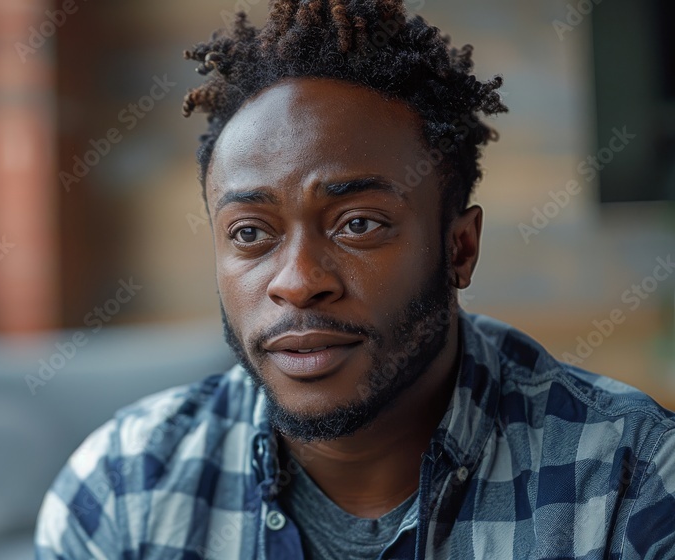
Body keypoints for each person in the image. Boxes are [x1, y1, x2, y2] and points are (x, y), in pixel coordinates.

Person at [35, 1, 675, 558]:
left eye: (358, 224)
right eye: (251, 233)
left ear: (460, 247)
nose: (298, 282)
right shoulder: (123, 491)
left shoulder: (633, 484)